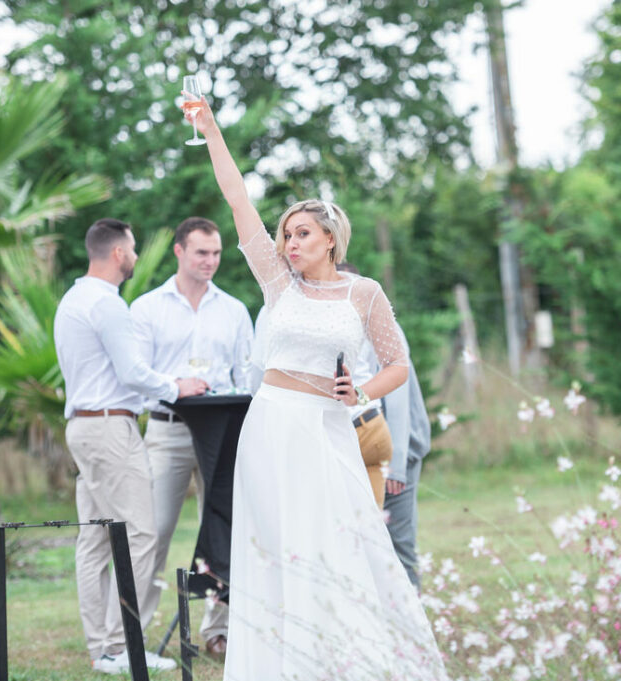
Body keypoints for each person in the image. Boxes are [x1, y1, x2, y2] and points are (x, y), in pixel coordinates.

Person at [183, 97, 447, 679]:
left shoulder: (364, 293)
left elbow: (398, 364)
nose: (289, 242)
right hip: (272, 424)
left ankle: (347, 660)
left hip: (328, 429)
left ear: (330, 238)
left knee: (340, 540)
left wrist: (364, 394)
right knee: (274, 543)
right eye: (285, 234)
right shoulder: (280, 286)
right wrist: (211, 129)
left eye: (301, 233)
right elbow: (237, 200)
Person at [54, 218, 207, 675]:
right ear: (119, 253)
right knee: (140, 534)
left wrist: (156, 389)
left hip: (85, 426)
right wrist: (179, 386)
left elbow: (117, 377)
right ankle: (122, 647)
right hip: (109, 431)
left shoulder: (73, 299)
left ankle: (102, 649)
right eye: (134, 249)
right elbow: (134, 374)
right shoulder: (107, 304)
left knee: (96, 540)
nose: (137, 257)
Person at [130, 216, 253, 656]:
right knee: (153, 531)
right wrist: (176, 383)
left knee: (222, 525)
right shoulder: (146, 308)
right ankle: (134, 636)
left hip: (223, 436)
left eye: (217, 253)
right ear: (180, 251)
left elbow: (246, 378)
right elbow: (136, 377)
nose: (211, 261)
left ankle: (218, 631)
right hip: (168, 433)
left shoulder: (234, 310)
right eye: (202, 252)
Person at [335, 262, 394, 507]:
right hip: (372, 420)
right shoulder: (369, 320)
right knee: (371, 521)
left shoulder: (328, 319)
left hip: (348, 426)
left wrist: (356, 394)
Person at [383, 349, 431, 590]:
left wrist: (396, 463)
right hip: (364, 450)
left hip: (400, 452)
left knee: (400, 544)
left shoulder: (379, 320)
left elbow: (396, 397)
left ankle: (414, 620)